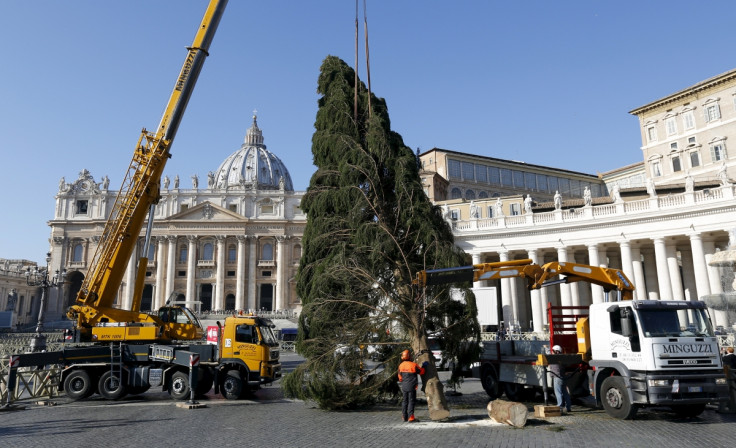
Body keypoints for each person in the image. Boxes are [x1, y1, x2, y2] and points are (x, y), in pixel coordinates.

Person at [398, 349, 427, 422]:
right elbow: (421, 372)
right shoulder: (413, 365)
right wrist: (424, 366)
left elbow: (400, 378)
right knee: (411, 401)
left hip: (404, 386)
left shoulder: (401, 366)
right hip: (412, 386)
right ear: (410, 356)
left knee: (405, 401)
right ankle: (411, 417)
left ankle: (404, 417)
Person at [548, 345, 572, 414]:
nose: (552, 352)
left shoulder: (554, 358)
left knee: (558, 392)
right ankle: (568, 407)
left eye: (553, 351)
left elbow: (548, 360)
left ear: (555, 351)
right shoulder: (562, 358)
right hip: (563, 377)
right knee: (565, 392)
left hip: (557, 378)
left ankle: (560, 406)